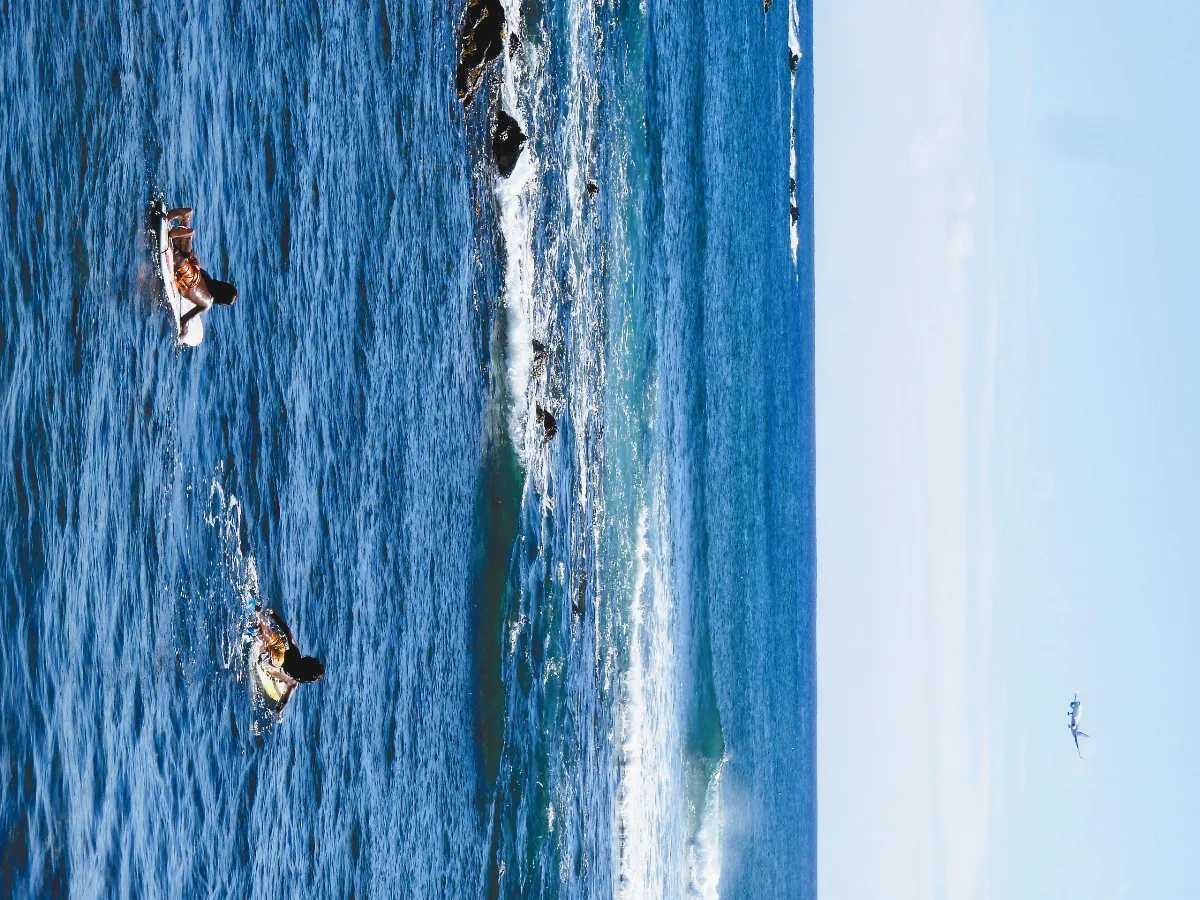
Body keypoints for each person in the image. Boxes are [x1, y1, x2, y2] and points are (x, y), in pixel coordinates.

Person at [164, 207, 239, 330]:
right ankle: (188, 236)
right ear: (221, 301)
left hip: (196, 269)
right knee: (179, 260)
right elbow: (184, 320)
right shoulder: (207, 304)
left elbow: (194, 270)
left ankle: (185, 218)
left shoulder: (208, 278)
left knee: (183, 254)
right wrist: (183, 335)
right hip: (190, 281)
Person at [254, 609, 325, 711]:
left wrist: (273, 615)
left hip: (276, 657)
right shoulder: (293, 682)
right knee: (269, 648)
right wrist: (279, 712)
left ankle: (259, 617)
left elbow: (287, 631)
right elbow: (285, 701)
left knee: (270, 640)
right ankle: (260, 634)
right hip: (271, 665)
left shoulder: (296, 652)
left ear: (308, 660)